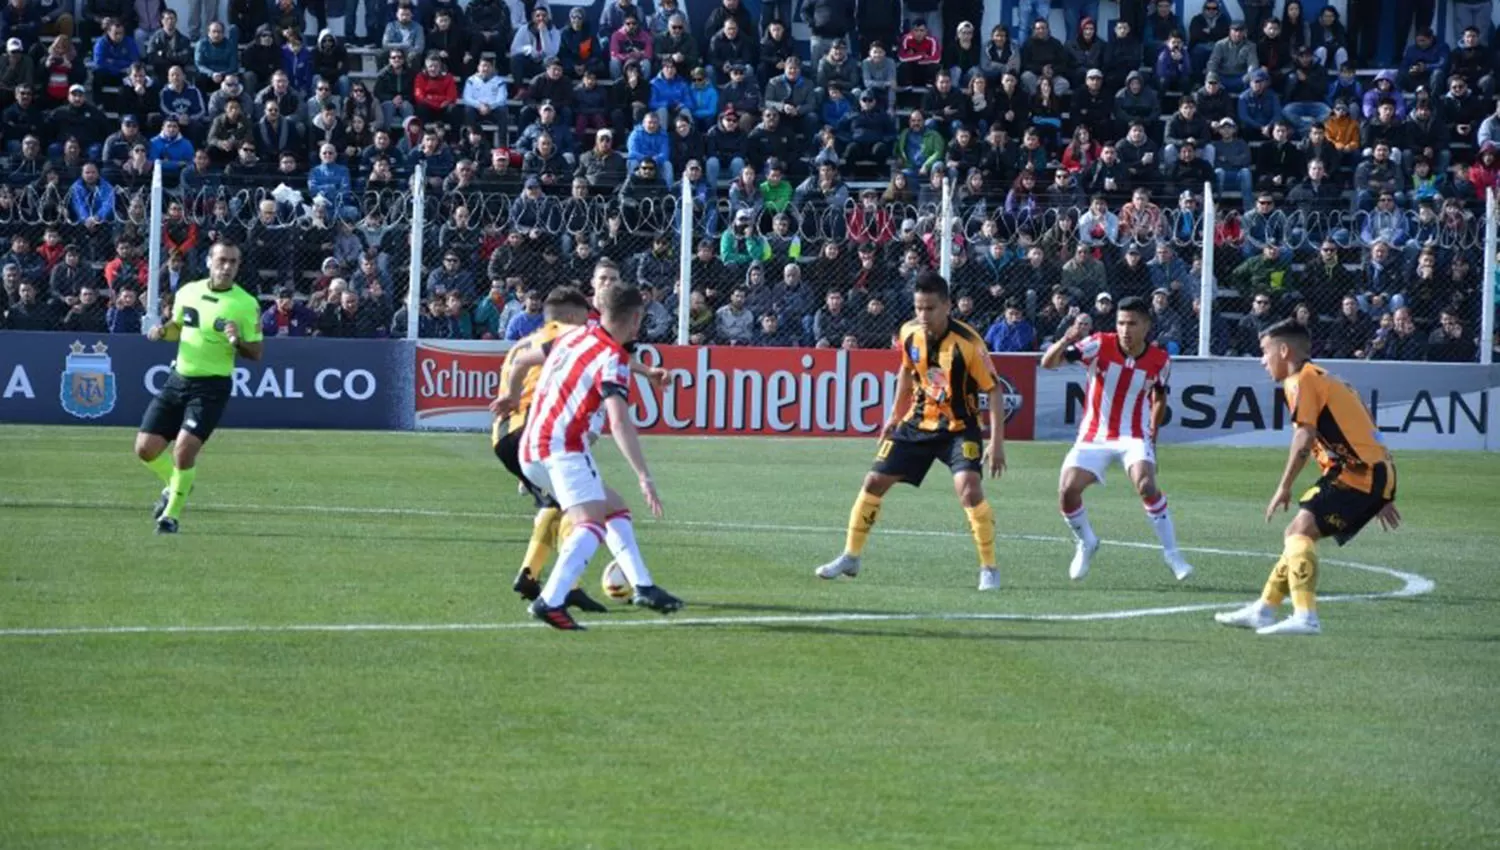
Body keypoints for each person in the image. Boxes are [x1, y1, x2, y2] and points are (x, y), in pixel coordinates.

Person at [494, 283, 683, 631]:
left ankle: (642, 585)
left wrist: (512, 395)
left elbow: (521, 359)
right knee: (591, 522)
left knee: (613, 507)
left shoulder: (577, 336)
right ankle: (550, 601)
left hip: (531, 448)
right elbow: (618, 419)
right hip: (562, 449)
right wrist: (644, 475)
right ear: (637, 319)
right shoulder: (611, 360)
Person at [813, 271, 1008, 591]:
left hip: (959, 428)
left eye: (930, 308)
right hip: (917, 422)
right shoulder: (908, 333)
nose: (923, 315)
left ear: (947, 306)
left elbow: (995, 390)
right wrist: (894, 414)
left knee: (969, 488)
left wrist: (997, 443)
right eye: (918, 308)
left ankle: (989, 567)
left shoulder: (969, 344)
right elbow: (906, 370)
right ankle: (851, 555)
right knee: (873, 481)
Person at [1215, 320, 1400, 636]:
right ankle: (1264, 610)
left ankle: (1305, 617)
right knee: (1300, 532)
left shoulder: (1300, 380)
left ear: (1284, 350)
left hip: (1360, 473)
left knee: (1298, 532)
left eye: (1264, 351)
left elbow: (1304, 436)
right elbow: (1363, 425)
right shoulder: (1322, 376)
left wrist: (1283, 487)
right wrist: (1383, 492)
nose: (1262, 360)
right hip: (1368, 472)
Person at [1040, 296, 1193, 582]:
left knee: (1147, 485)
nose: (1125, 329)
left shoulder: (1160, 360)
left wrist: (1152, 439)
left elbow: (1159, 396)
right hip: (1094, 435)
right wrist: (1066, 339)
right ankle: (1087, 542)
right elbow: (1048, 364)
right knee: (1067, 492)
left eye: (1132, 323)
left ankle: (1172, 554)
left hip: (1134, 434)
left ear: (1146, 325)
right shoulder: (1099, 343)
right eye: (1121, 323)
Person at [488, 286, 609, 614]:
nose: (589, 322)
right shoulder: (570, 337)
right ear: (570, 317)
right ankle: (569, 587)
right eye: (585, 316)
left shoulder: (523, 343)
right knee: (578, 505)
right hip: (535, 433)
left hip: (503, 436)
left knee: (554, 504)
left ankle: (529, 574)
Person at [134, 241, 262, 534]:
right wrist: (163, 331)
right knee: (145, 449)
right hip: (178, 379)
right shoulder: (188, 292)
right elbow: (179, 326)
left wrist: (237, 341)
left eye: (233, 262)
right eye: (222, 260)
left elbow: (256, 353)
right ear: (209, 261)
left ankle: (171, 516)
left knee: (183, 451)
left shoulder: (245, 304)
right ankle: (177, 483)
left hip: (212, 387)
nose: (227, 267)